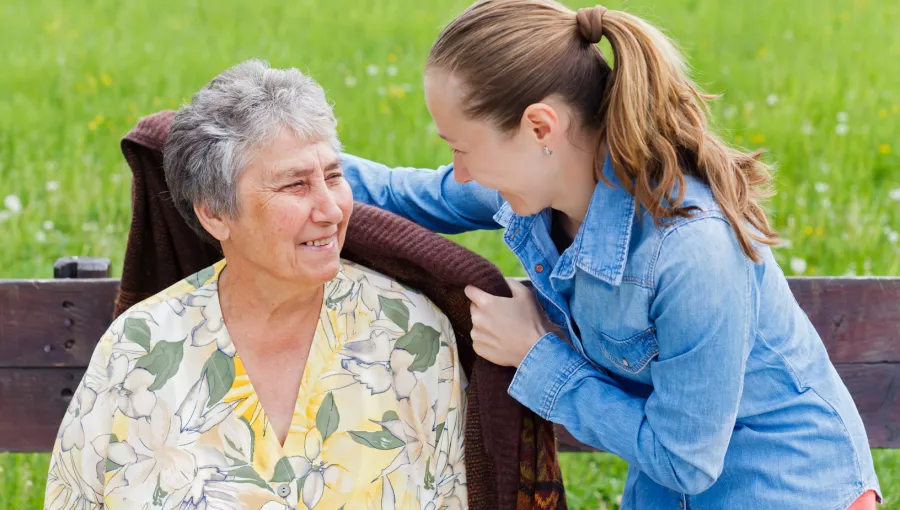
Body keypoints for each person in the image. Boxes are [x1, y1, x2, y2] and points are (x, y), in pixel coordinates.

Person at [340, 1, 881, 508]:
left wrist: (535, 355)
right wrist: (284, 164)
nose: (458, 171)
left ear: (540, 127)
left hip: (791, 491)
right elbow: (395, 194)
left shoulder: (690, 249)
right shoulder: (536, 179)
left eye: (460, 147)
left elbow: (685, 461)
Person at [44, 59, 467, 510]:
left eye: (333, 176)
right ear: (215, 214)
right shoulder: (139, 347)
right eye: (295, 185)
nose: (331, 210)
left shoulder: (412, 336)